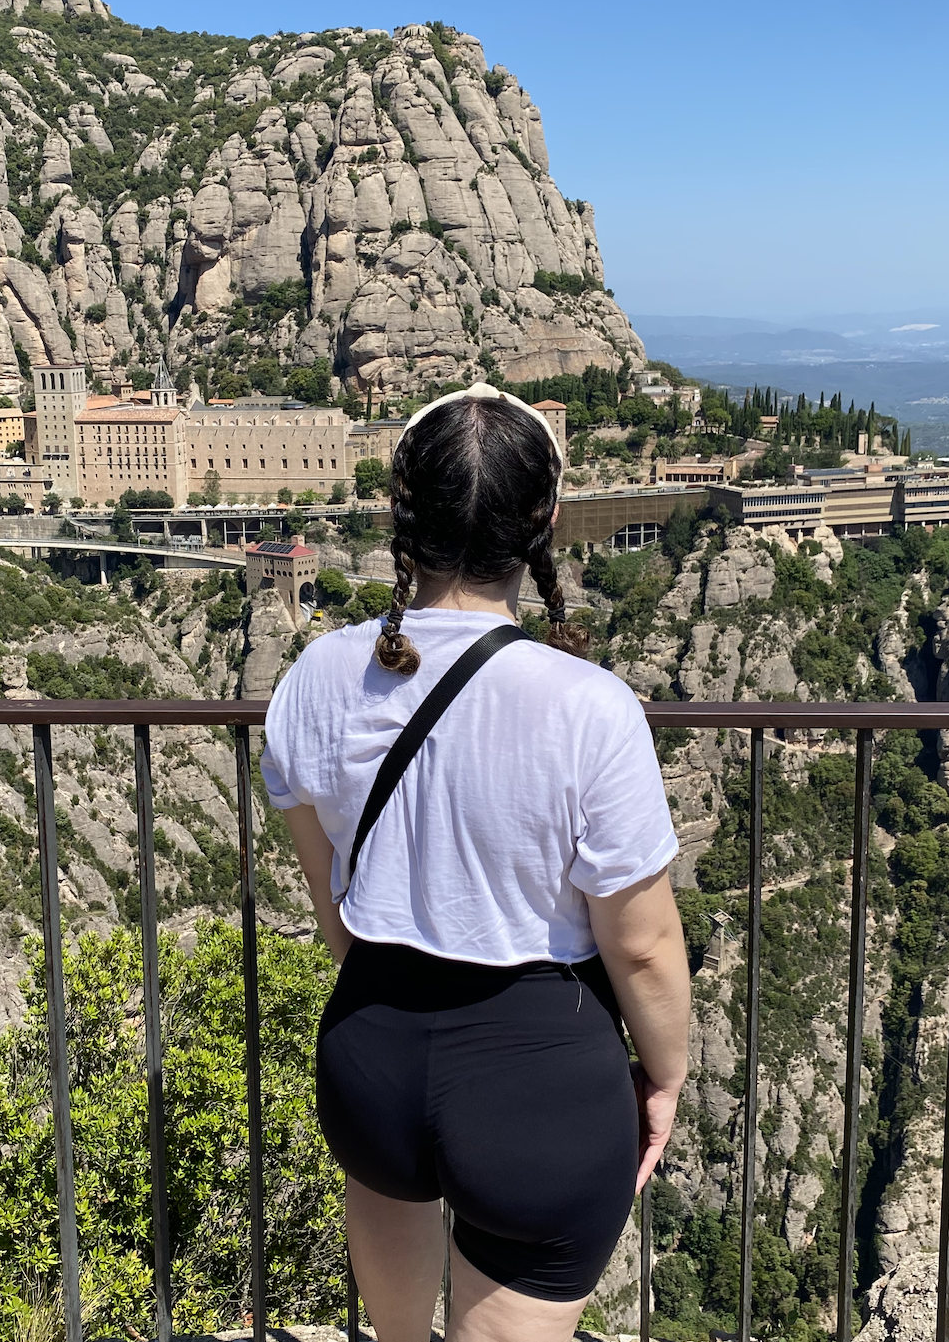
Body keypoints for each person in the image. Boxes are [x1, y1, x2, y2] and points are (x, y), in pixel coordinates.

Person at [262, 384, 692, 1342]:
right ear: (543, 520)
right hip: (537, 1077)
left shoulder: (313, 677)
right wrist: (663, 1077)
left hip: (370, 1054)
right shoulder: (588, 705)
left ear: (399, 514)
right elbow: (646, 947)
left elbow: (331, 899)